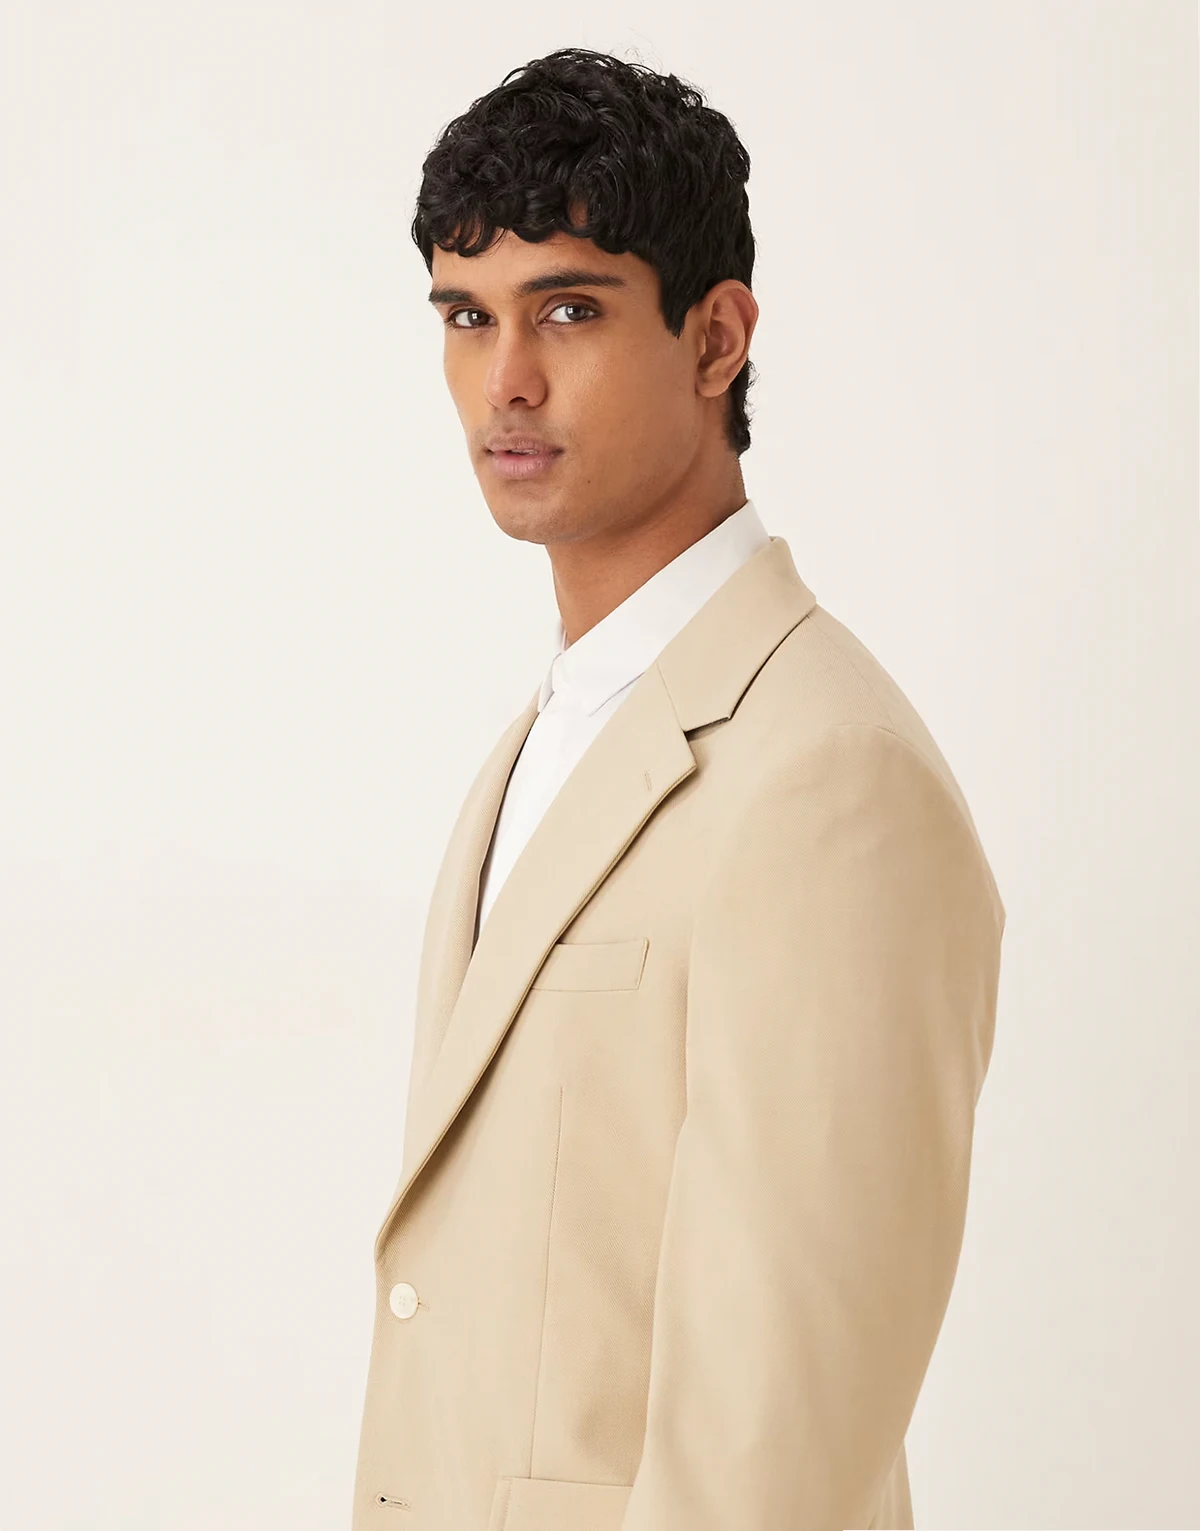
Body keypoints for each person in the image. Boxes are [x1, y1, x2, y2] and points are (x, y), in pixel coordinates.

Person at [352, 46, 1005, 1531]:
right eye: (467, 316)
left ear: (718, 339)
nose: (505, 382)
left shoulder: (830, 783)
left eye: (569, 310)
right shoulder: (552, 734)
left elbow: (776, 1446)